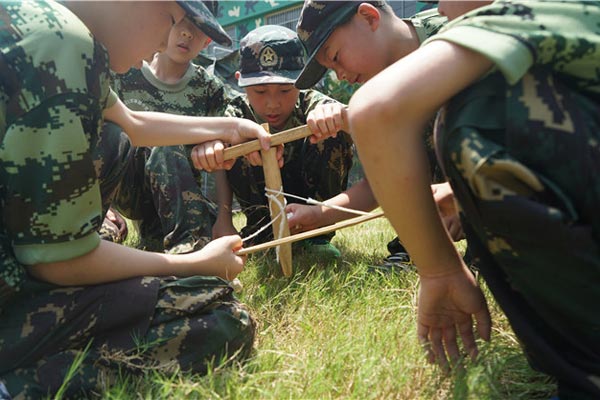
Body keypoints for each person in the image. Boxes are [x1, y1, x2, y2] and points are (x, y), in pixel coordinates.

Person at [0, 1, 273, 397]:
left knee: (113, 141)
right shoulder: (65, 43)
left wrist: (231, 126)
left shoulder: (41, 19)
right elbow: (60, 262)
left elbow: (131, 123)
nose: (166, 40)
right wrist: (192, 263)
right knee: (218, 319)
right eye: (169, 21)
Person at [348, 0, 600, 398]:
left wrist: (438, 270)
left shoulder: (525, 11)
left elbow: (376, 111)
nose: (441, 7)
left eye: (334, 56)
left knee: (481, 118)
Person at [286, 0, 460, 270]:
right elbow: (382, 181)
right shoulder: (383, 93)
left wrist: (467, 195)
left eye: (335, 58)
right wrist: (319, 215)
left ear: (368, 17)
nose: (340, 76)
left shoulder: (457, 32)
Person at [214, 25, 354, 258]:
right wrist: (224, 218)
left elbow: (337, 112)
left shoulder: (312, 102)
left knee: (333, 130)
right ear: (240, 81)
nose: (272, 104)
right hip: (262, 209)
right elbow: (221, 162)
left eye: (285, 90)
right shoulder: (236, 113)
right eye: (259, 91)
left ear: (303, 82)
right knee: (229, 144)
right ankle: (261, 233)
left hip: (309, 204)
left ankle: (316, 235)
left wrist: (331, 115)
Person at [109, 3, 236, 254]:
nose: (187, 33)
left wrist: (225, 219)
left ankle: (188, 246)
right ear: (163, 21)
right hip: (126, 188)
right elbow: (97, 143)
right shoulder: (125, 71)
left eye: (198, 27)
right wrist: (105, 209)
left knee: (206, 224)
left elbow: (223, 160)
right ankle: (187, 247)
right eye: (180, 22)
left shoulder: (209, 89)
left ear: (208, 40)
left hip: (180, 197)